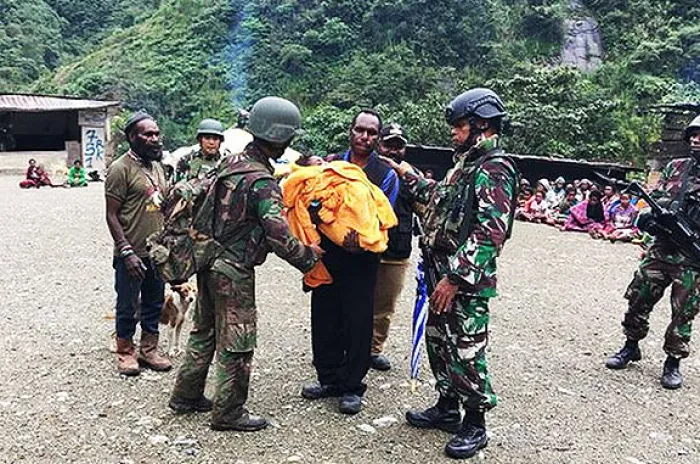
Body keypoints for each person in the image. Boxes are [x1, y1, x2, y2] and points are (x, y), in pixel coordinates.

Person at [169, 97, 323, 431]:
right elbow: (280, 237)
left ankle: (186, 395)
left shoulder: (231, 163)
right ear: (279, 136)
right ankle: (229, 412)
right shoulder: (262, 182)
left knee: (203, 331)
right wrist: (309, 256)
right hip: (234, 270)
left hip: (208, 261)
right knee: (239, 338)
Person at [383, 88, 517, 459]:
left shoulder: (495, 168)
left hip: (464, 282)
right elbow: (441, 198)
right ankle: (446, 406)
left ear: (482, 125)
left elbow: (491, 230)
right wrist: (407, 175)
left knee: (466, 348)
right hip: (440, 271)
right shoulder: (465, 165)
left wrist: (455, 278)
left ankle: (475, 423)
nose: (454, 133)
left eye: (460, 126)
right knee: (439, 341)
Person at [301, 109, 399, 415]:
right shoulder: (330, 166)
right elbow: (309, 199)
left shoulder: (386, 175)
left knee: (358, 320)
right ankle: (328, 378)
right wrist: (316, 215)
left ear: (378, 138)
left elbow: (384, 216)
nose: (365, 137)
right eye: (360, 130)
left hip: (363, 258)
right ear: (350, 130)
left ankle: (352, 386)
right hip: (328, 254)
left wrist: (361, 240)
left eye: (371, 132)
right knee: (325, 315)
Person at [605, 115, 700, 389]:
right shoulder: (675, 167)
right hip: (661, 248)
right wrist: (648, 218)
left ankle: (673, 362)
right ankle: (630, 345)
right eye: (692, 135)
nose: (694, 139)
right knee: (639, 296)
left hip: (691, 257)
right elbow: (656, 197)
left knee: (683, 312)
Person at [105, 111, 172, 376]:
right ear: (132, 137)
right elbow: (111, 214)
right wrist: (126, 251)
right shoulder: (120, 169)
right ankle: (125, 351)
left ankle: (149, 349)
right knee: (127, 304)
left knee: (154, 302)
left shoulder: (157, 166)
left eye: (156, 133)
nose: (155, 139)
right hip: (130, 252)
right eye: (148, 134)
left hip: (156, 252)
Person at [370, 123, 413, 371]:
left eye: (399, 146)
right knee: (354, 300)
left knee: (384, 307)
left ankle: (373, 349)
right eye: (389, 145)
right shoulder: (366, 169)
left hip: (396, 251)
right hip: (365, 248)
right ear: (379, 144)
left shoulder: (411, 176)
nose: (393, 151)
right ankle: (344, 347)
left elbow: (426, 209)